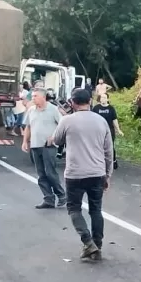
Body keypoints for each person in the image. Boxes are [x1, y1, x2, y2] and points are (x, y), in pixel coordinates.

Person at [50, 88, 113, 261]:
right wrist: (107, 175)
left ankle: (88, 242)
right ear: (90, 101)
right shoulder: (101, 121)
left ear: (72, 102)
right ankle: (97, 245)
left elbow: (56, 141)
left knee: (74, 209)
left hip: (75, 174)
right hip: (97, 173)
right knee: (96, 210)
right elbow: (109, 151)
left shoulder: (67, 120)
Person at [21, 88, 66, 209]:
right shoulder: (31, 110)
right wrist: (25, 141)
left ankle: (61, 195)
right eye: (33, 96)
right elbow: (28, 127)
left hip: (48, 146)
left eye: (35, 96)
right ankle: (48, 199)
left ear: (43, 97)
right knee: (41, 174)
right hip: (35, 145)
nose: (33, 98)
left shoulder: (53, 109)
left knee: (50, 172)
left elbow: (62, 125)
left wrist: (54, 136)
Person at [92, 93, 123, 169]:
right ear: (100, 99)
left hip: (109, 130)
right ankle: (99, 163)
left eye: (105, 98)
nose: (103, 99)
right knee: (98, 146)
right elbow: (91, 119)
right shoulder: (96, 108)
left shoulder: (111, 108)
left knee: (110, 146)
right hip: (98, 131)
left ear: (107, 99)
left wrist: (118, 130)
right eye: (102, 97)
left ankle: (113, 161)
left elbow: (114, 120)